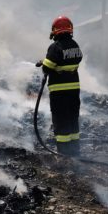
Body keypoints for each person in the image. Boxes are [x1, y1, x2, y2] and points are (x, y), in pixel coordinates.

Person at [37, 15, 82, 156]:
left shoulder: (55, 47)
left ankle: (63, 153)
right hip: (74, 90)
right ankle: (75, 150)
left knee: (61, 119)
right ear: (70, 29)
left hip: (59, 91)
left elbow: (47, 68)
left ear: (55, 30)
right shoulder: (75, 45)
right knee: (72, 118)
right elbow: (74, 60)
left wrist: (43, 63)